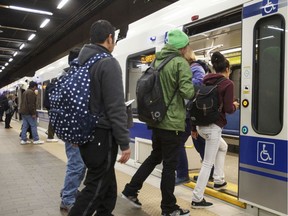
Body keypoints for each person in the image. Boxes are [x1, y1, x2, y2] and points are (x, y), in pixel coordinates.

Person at [122, 29, 194, 216]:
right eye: (187, 46)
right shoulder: (180, 63)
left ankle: (131, 189)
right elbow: (188, 92)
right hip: (171, 123)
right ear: (183, 47)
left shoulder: (157, 60)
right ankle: (168, 208)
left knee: (155, 157)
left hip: (157, 119)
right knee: (170, 167)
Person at [68, 20, 131, 216]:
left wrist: (75, 134)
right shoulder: (107, 63)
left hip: (86, 133)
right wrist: (125, 143)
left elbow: (73, 102)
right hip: (102, 135)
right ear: (109, 38)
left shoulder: (79, 63)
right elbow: (115, 107)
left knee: (107, 181)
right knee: (95, 187)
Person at [191, 51, 239, 208]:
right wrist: (235, 105)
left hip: (200, 125)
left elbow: (195, 103)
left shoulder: (206, 80)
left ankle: (219, 180)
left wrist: (193, 128)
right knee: (207, 163)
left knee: (223, 146)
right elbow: (228, 108)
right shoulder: (227, 83)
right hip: (213, 127)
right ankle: (197, 198)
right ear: (227, 69)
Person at [176, 46, 214, 185]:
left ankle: (182, 174)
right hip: (190, 112)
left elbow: (199, 84)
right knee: (200, 144)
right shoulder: (190, 68)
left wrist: (181, 83)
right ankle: (210, 172)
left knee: (181, 143)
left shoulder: (195, 67)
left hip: (191, 111)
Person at [59, 48, 86, 212]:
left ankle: (68, 191)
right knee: (77, 165)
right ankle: (67, 198)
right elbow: (76, 107)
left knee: (79, 164)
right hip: (74, 129)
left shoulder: (66, 77)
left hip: (72, 128)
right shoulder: (74, 78)